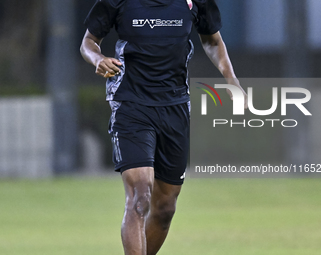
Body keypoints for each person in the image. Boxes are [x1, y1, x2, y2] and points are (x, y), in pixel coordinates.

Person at [80, 0, 247, 254]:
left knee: (165, 208)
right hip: (131, 104)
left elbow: (212, 41)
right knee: (140, 196)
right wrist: (98, 59)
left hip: (175, 107)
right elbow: (88, 42)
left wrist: (231, 79)